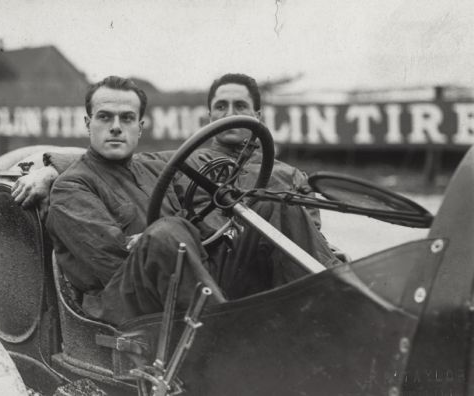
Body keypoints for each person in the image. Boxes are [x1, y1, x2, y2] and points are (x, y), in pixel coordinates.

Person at [42, 76, 339, 326]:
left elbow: (201, 162)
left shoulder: (155, 166)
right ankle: (225, 341)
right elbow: (112, 263)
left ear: (140, 127)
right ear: (88, 123)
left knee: (272, 205)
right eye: (105, 117)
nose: (116, 126)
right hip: (128, 300)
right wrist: (45, 171)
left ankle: (338, 302)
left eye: (127, 118)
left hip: (192, 281)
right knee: (168, 232)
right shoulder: (72, 187)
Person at [13, 73, 321, 229]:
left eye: (239, 106)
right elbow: (114, 160)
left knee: (283, 209)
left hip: (282, 280)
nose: (229, 114)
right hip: (220, 278)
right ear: (210, 117)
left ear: (257, 116)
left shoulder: (291, 176)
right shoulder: (188, 161)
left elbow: (313, 239)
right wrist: (50, 171)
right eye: (221, 107)